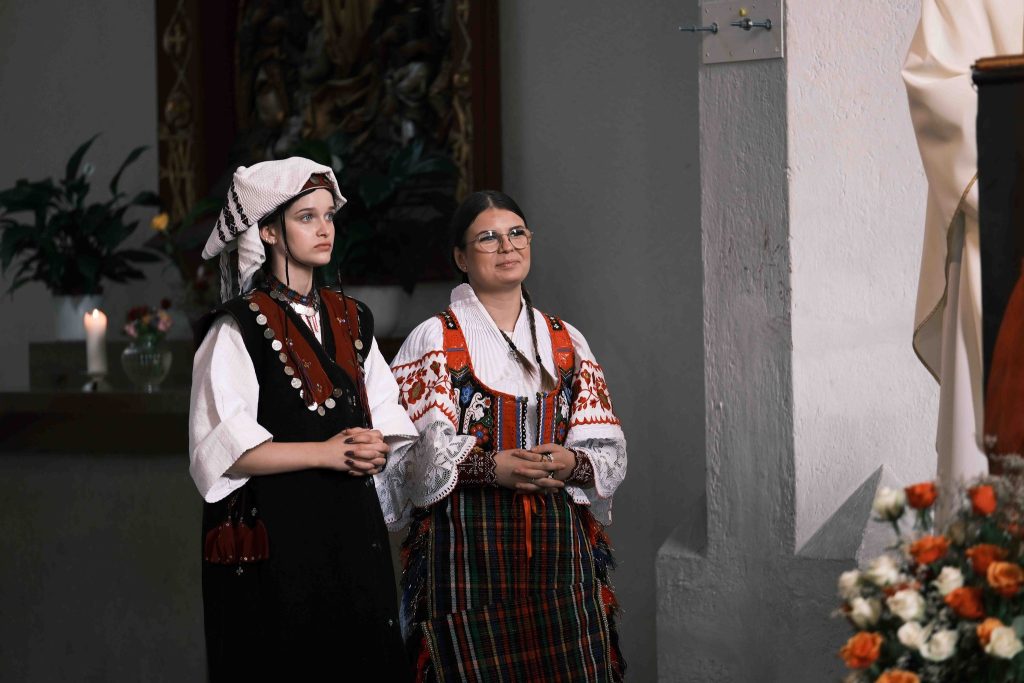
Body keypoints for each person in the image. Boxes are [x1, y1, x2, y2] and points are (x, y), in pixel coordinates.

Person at [380, 191, 627, 682]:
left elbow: (606, 447)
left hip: (559, 548)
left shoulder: (565, 340)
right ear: (461, 257)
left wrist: (569, 463)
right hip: (467, 548)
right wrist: (492, 467)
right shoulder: (436, 340)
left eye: (516, 233)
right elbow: (406, 459)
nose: (507, 246)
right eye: (487, 238)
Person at [188, 157, 416, 681]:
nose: (324, 228)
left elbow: (387, 416)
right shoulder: (236, 327)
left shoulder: (353, 316)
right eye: (306, 217)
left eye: (328, 216)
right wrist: (328, 453)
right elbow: (225, 450)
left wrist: (376, 447)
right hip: (280, 535)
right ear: (268, 231)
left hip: (352, 530)